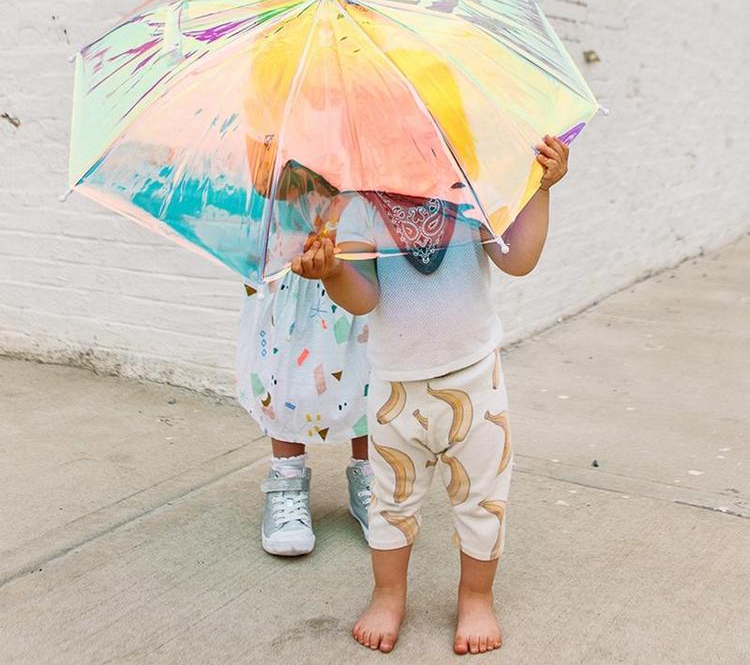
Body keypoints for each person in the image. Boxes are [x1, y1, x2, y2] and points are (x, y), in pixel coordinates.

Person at [290, 134, 570, 653]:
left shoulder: (469, 188)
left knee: (483, 499)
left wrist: (541, 189)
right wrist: (333, 274)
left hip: (475, 378)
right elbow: (364, 296)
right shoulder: (358, 206)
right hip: (396, 387)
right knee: (391, 501)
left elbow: (519, 259)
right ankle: (388, 593)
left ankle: (476, 597)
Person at [236, 162, 372, 557]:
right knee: (286, 377)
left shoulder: (367, 123)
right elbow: (263, 183)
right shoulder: (279, 114)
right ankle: (288, 476)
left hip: (355, 268)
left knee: (364, 373)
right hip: (290, 272)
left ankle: (368, 475)